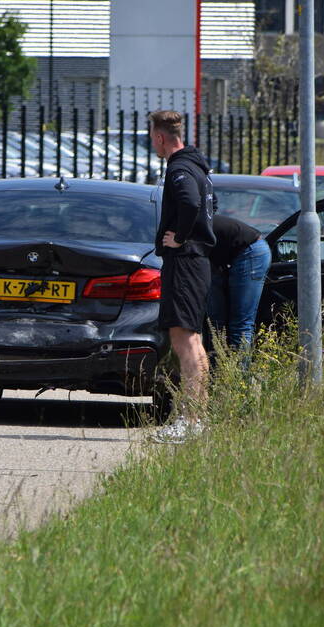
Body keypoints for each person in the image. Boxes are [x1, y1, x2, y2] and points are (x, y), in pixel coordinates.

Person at [148, 110, 215, 444]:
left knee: (183, 341)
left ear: (160, 137)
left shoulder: (179, 168)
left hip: (186, 261)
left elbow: (189, 203)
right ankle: (197, 419)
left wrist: (181, 237)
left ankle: (190, 421)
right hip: (196, 262)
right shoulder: (196, 165)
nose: (153, 144)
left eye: (152, 138)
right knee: (193, 340)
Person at [207, 214, 272, 359]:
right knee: (217, 322)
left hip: (251, 252)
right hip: (233, 254)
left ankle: (239, 378)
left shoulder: (192, 227)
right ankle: (220, 373)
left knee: (240, 323)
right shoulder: (197, 221)